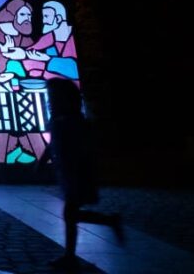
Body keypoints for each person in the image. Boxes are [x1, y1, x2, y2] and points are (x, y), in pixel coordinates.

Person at [45, 78, 124, 269]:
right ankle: (108, 221)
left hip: (76, 174)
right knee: (71, 214)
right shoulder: (64, 118)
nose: (50, 99)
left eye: (52, 95)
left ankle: (70, 256)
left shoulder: (71, 120)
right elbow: (54, 143)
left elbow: (77, 147)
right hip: (70, 173)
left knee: (70, 214)